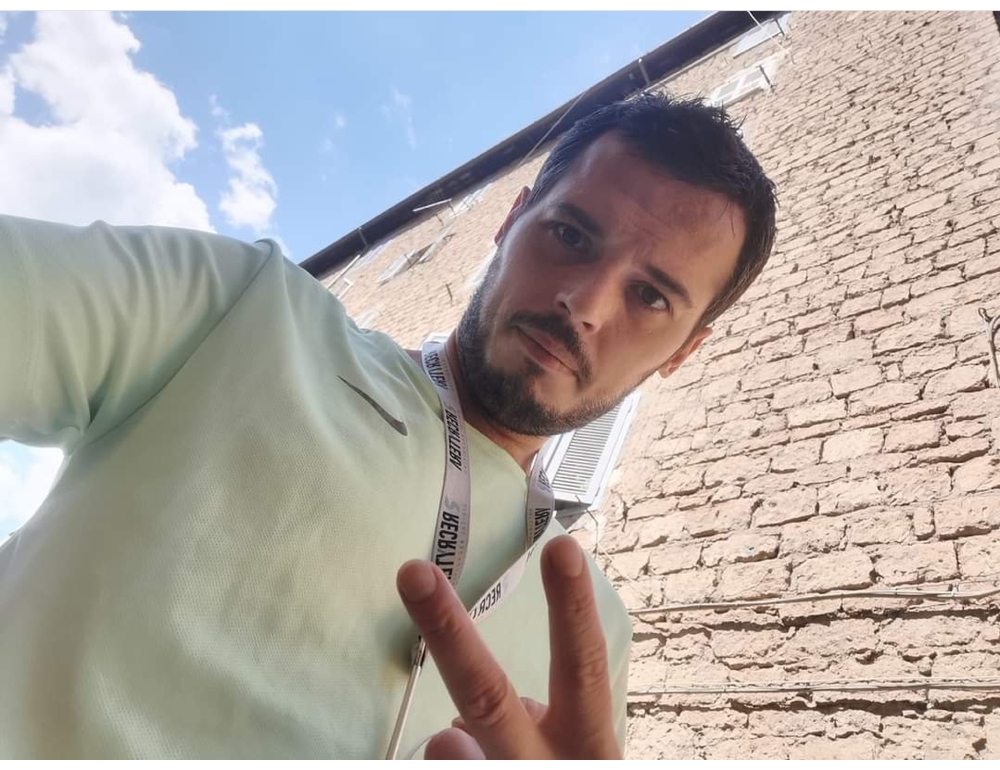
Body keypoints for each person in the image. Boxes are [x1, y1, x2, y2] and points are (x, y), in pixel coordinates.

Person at [0, 92, 776, 759]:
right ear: (511, 220)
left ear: (685, 350)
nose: (587, 303)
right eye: (571, 234)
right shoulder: (241, 313)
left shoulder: (596, 632)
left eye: (651, 297)